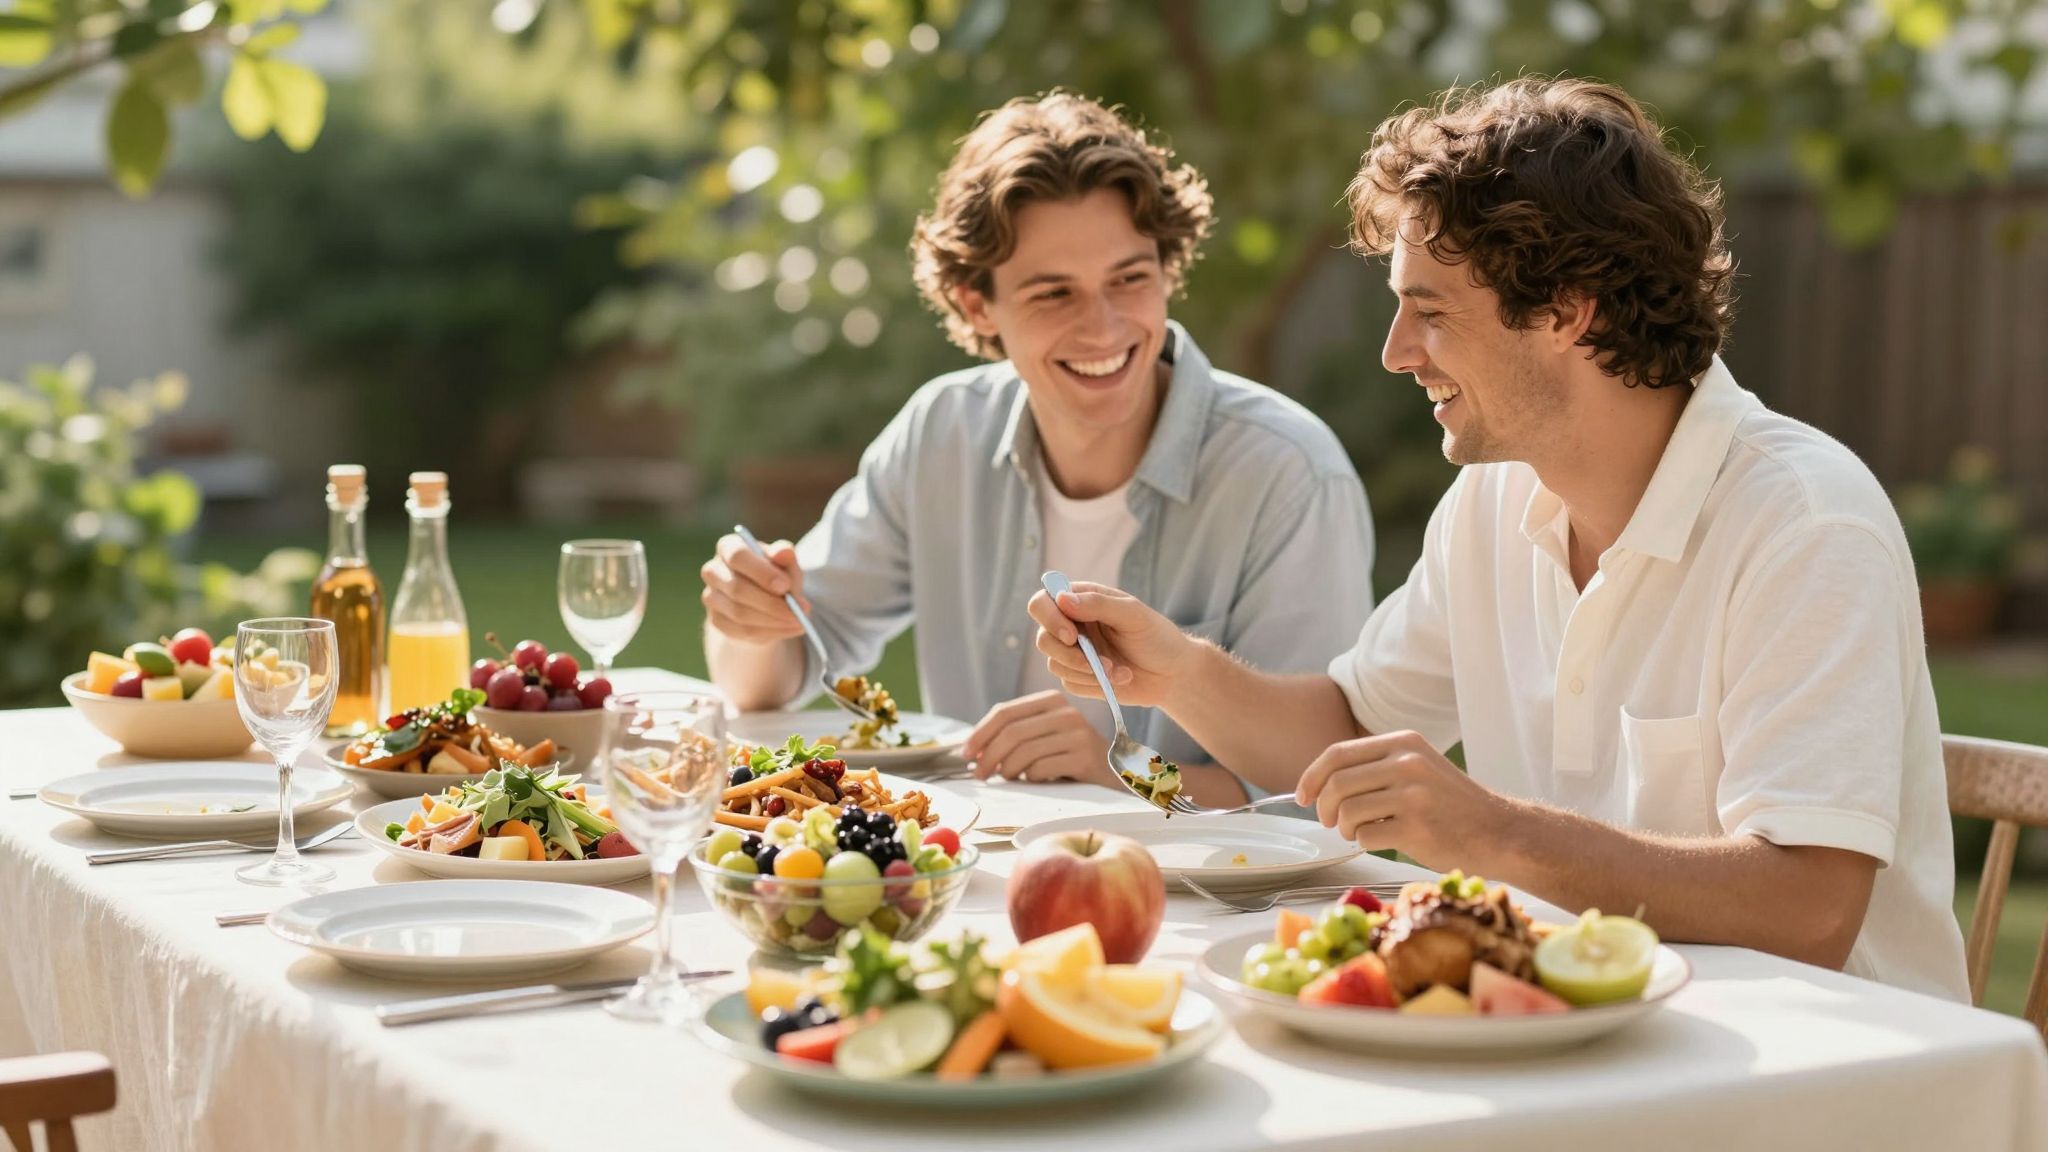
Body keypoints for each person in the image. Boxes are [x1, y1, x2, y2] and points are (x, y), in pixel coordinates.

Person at [1025, 77, 1968, 999]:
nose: (1396, 350)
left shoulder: (1804, 525)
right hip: (1586, 1039)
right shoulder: (1493, 502)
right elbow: (1353, 727)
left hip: (1831, 1076)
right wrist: (1176, 674)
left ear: (1566, 308)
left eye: (1429, 311)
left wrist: (1489, 834)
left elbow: (1809, 909)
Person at [700, 92, 1376, 806]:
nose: (1104, 328)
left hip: (1214, 905)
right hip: (974, 878)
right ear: (975, 305)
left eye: (1130, 278)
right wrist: (750, 618)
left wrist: (1121, 773)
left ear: (1167, 270)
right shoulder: (943, 434)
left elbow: (1316, 794)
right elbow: (775, 673)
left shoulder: (1288, 473)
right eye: (1054, 294)